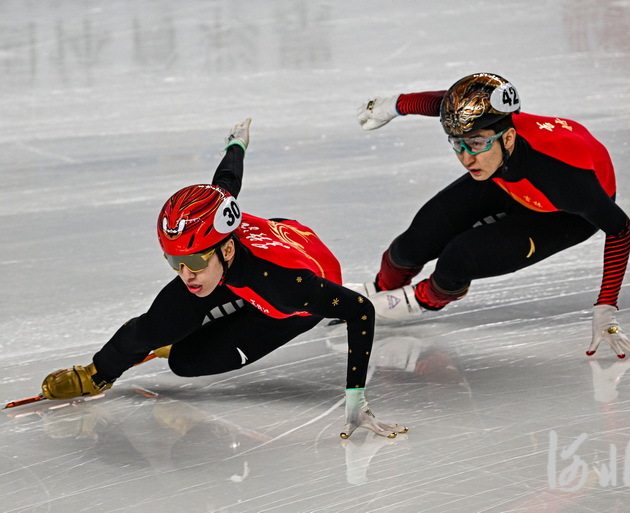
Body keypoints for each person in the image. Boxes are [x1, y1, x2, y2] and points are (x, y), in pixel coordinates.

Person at [39, 119, 406, 439]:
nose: (185, 274)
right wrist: (237, 142)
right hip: (242, 269)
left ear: (226, 251)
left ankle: (185, 338)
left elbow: (359, 310)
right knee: (156, 324)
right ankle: (97, 374)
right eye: (174, 261)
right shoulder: (213, 236)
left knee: (185, 362)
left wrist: (355, 397)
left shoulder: (287, 287)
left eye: (194, 262)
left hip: (288, 300)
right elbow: (226, 179)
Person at [356, 72, 630, 359]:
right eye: (456, 143)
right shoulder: (490, 131)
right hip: (506, 176)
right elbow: (443, 104)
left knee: (458, 259)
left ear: (508, 138)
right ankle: (382, 286)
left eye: (477, 144)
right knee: (414, 242)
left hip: (562, 215)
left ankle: (424, 299)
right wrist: (394, 105)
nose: (466, 157)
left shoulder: (562, 178)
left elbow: (620, 229)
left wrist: (606, 306)